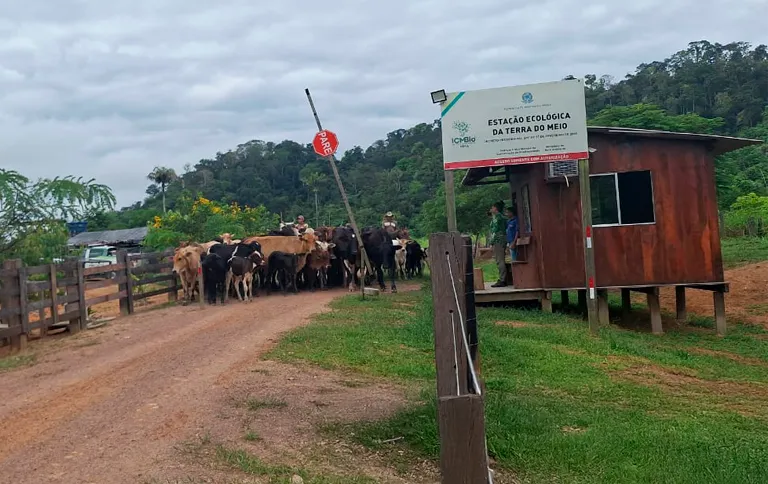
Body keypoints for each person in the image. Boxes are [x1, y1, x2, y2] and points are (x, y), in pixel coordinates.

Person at [489, 201, 507, 287]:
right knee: (500, 259)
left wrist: (491, 242)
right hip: (501, 239)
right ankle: (502, 278)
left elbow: (494, 231)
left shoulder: (497, 218)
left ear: (495, 208)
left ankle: (502, 279)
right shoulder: (499, 217)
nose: (491, 209)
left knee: (500, 260)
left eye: (492, 207)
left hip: (498, 240)